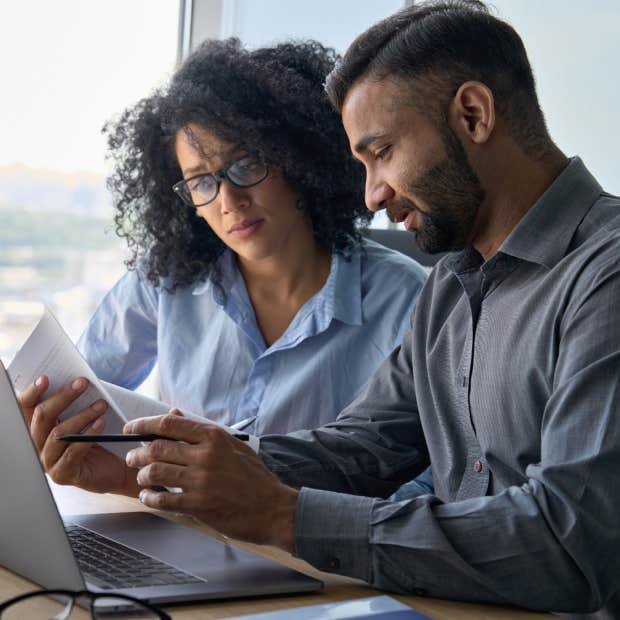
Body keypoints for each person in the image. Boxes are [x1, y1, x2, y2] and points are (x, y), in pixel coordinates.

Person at [109, 3, 619, 618]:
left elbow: (570, 546)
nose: (372, 195)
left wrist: (283, 516)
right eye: (361, 165)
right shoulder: (451, 286)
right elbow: (362, 450)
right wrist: (189, 469)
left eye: (382, 152)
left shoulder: (604, 275)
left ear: (473, 115)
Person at [18, 40, 429, 496]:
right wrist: (47, 428)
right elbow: (83, 390)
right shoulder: (166, 278)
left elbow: (430, 486)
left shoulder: (406, 300)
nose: (230, 201)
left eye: (246, 165)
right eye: (200, 182)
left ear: (299, 159)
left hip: (312, 553)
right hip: (172, 528)